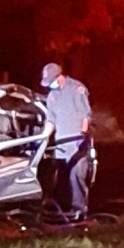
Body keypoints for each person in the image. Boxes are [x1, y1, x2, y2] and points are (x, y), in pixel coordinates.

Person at [40, 62, 92, 220]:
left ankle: (79, 211)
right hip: (61, 145)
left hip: (77, 143)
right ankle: (59, 209)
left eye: (51, 81)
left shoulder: (77, 89)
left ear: (59, 77)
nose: (50, 86)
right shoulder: (52, 96)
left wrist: (82, 136)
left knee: (76, 176)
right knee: (58, 177)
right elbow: (51, 120)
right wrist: (42, 138)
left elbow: (86, 116)